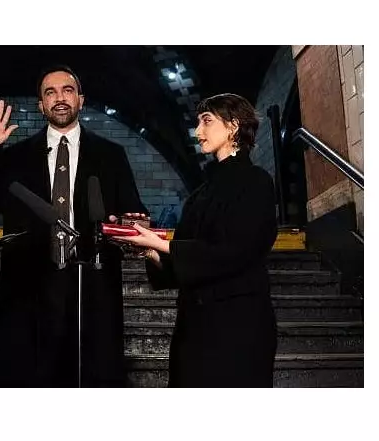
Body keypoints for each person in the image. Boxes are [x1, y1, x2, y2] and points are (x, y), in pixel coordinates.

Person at [0, 65, 148, 387]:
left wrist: (127, 226)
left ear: (81, 99)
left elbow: (133, 213)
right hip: (29, 292)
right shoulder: (16, 157)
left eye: (67, 90)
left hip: (92, 288)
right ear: (41, 105)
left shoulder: (111, 155)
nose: (59, 98)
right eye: (50, 92)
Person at [113, 93, 278, 388]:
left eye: (206, 121)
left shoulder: (256, 182)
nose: (197, 131)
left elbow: (238, 251)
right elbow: (180, 267)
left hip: (240, 327)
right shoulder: (198, 195)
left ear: (233, 126)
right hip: (193, 330)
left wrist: (162, 244)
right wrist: (148, 249)